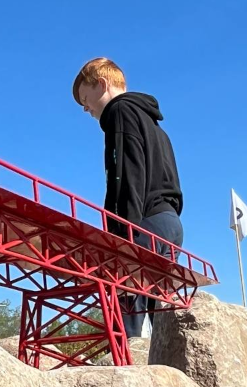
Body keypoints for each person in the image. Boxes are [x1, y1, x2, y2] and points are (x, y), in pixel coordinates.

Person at [72, 57, 184, 337]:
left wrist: (120, 238)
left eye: (85, 99)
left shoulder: (119, 112)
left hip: (142, 222)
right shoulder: (155, 126)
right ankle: (171, 371)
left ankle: (128, 372)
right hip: (169, 222)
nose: (86, 109)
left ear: (102, 84)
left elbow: (125, 175)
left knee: (126, 314)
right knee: (163, 316)